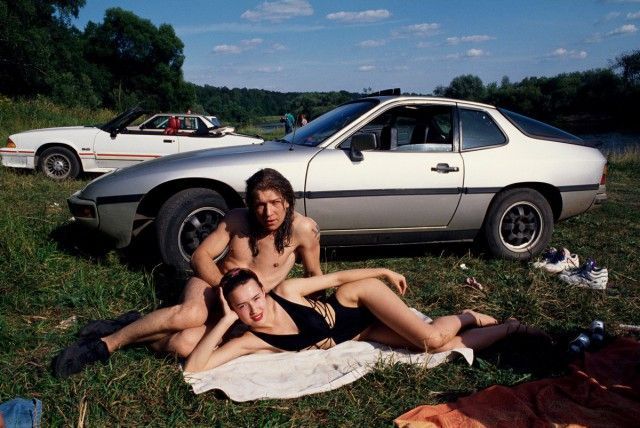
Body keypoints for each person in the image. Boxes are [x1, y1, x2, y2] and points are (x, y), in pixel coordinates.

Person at [53, 168, 322, 377]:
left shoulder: (303, 231)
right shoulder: (237, 219)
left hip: (247, 306)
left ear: (287, 200)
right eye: (260, 204)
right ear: (251, 205)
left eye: (275, 202)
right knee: (191, 314)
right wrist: (223, 288)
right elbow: (200, 256)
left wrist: (325, 316)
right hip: (213, 284)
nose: (268, 212)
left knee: (184, 344)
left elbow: (314, 275)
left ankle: (133, 325)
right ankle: (105, 345)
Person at [184, 267, 548, 372]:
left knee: (432, 340)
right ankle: (510, 327)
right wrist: (224, 319)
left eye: (255, 297)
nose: (254, 309)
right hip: (362, 332)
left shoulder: (289, 290)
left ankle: (467, 315)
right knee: (438, 349)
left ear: (263, 290)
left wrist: (384, 271)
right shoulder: (252, 339)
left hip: (357, 300)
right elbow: (195, 369)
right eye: (243, 307)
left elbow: (340, 280)